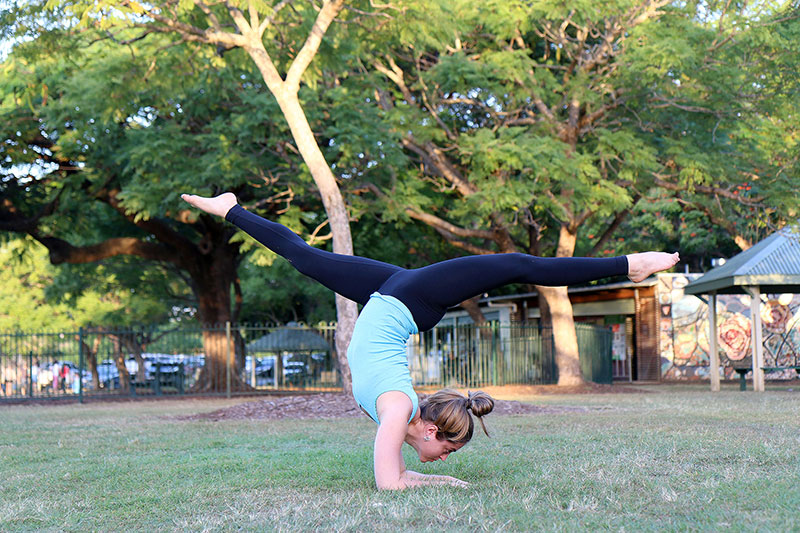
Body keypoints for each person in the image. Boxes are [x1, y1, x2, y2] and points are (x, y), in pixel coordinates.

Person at [182, 192, 680, 490]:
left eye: (450, 453)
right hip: (409, 300)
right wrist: (442, 481)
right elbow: (393, 483)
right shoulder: (399, 411)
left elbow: (391, 481)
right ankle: (629, 265)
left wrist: (434, 480)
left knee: (305, 257)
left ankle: (230, 209)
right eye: (452, 450)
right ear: (430, 431)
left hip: (391, 296)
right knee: (515, 265)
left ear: (429, 432)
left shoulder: (398, 414)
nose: (448, 457)